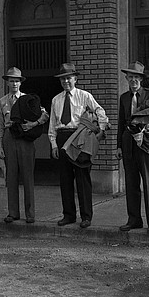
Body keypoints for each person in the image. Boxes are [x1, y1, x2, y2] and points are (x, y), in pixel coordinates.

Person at [48, 63, 108, 229]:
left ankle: (86, 216)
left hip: (80, 137)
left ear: (75, 79)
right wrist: (53, 144)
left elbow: (100, 112)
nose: (66, 81)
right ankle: (68, 215)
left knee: (83, 178)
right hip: (62, 138)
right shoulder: (56, 100)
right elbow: (53, 124)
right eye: (63, 79)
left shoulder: (84, 96)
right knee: (65, 179)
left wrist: (99, 132)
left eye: (69, 78)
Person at [116, 61, 149, 235]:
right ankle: (134, 220)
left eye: (137, 77)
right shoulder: (124, 98)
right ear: (126, 78)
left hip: (147, 144)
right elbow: (120, 124)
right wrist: (118, 147)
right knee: (131, 183)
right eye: (130, 77)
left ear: (141, 79)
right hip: (128, 144)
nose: (133, 80)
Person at [0, 67, 48, 224]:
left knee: (27, 176)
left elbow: (45, 114)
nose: (14, 84)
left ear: (21, 83)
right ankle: (13, 213)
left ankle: (30, 214)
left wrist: (32, 125)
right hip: (9, 137)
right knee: (11, 177)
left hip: (25, 138)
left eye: (17, 81)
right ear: (7, 83)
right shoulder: (2, 101)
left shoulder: (28, 99)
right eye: (11, 81)